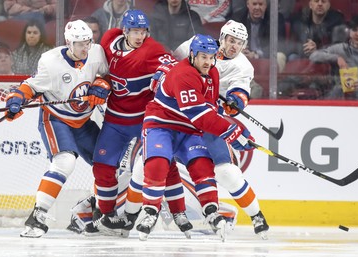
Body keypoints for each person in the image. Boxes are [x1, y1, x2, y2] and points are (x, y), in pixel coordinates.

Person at [136, 33, 256, 241]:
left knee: (202, 164)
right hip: (162, 124)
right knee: (156, 164)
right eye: (203, 57)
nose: (208, 62)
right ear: (192, 55)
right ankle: (150, 212)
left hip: (188, 129)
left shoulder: (214, 73)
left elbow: (209, 108)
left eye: (211, 57)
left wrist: (231, 103)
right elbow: (200, 116)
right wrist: (232, 131)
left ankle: (211, 211)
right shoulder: (184, 74)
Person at [3, 19, 110, 238]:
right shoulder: (51, 62)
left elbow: (108, 77)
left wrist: (102, 85)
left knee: (107, 163)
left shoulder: (97, 53)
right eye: (80, 43)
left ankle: (88, 213)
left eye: (88, 42)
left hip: (83, 121)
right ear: (68, 43)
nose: (85, 48)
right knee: (65, 162)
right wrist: (16, 99)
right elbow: (30, 86)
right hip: (56, 120)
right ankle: (37, 216)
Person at [91, 9, 190, 236]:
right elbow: (102, 68)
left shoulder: (151, 49)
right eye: (135, 31)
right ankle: (107, 216)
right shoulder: (109, 39)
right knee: (102, 165)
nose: (140, 36)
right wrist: (100, 81)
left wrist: (162, 73)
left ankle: (177, 211)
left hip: (144, 119)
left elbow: (173, 66)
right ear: (125, 31)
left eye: (143, 31)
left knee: (160, 162)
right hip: (115, 118)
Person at [173, 20, 269, 238]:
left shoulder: (243, 66)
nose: (234, 46)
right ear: (222, 37)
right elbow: (172, 63)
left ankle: (256, 215)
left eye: (240, 43)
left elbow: (240, 92)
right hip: (180, 117)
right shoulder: (196, 44)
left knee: (227, 172)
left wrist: (235, 101)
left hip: (209, 120)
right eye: (231, 40)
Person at [309, 14, 358, 101]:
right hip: (342, 93)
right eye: (354, 30)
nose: (357, 34)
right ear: (350, 32)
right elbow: (313, 56)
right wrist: (337, 58)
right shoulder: (340, 48)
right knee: (337, 89)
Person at [230, 0, 287, 72]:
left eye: (260, 4)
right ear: (248, 4)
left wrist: (257, 54)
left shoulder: (276, 18)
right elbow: (230, 40)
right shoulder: (237, 18)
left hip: (266, 54)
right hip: (245, 54)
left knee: (280, 56)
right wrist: (239, 49)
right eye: (254, 4)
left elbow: (279, 44)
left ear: (266, 5)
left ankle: (278, 82)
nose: (257, 7)